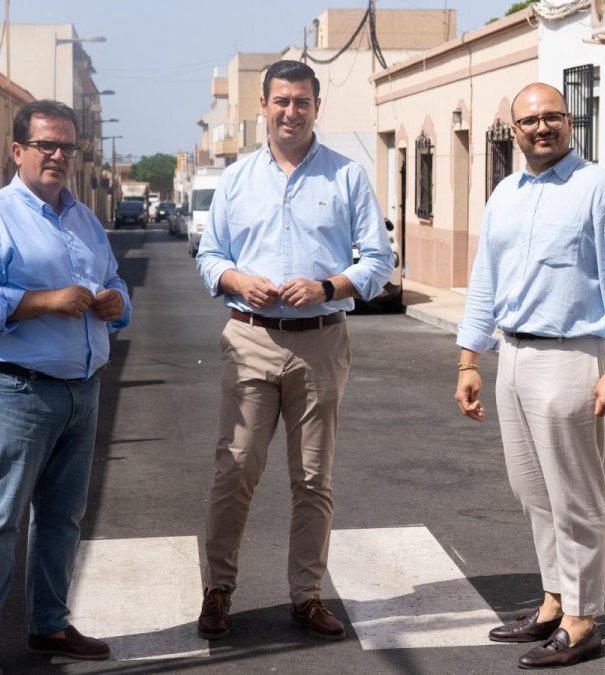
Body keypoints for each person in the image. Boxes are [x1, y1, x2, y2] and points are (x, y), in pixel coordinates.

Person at [454, 83, 605, 669]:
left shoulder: (600, 189)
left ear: (570, 122)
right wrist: (470, 359)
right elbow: (485, 279)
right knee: (532, 492)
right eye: (529, 120)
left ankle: (583, 618)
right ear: (513, 131)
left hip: (571, 357)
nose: (542, 128)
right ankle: (553, 601)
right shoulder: (506, 193)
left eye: (552, 117)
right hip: (512, 357)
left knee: (575, 497)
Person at [194, 59, 392, 642]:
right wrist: (237, 281)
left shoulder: (347, 177)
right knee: (233, 473)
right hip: (250, 338)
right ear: (263, 106)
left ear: (315, 106)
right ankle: (218, 591)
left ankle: (306, 597)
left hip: (322, 343)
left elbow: (378, 262)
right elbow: (210, 257)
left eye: (301, 102)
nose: (291, 111)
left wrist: (328, 286)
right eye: (281, 101)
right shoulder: (236, 180)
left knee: (312, 479)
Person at [0, 99, 131, 675]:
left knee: (62, 517)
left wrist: (117, 301)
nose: (58, 156)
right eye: (47, 145)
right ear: (18, 150)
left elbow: (113, 278)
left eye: (68, 147)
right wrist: (44, 301)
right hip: (15, 392)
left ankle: (48, 624)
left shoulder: (83, 219)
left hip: (82, 389)